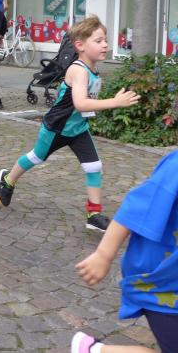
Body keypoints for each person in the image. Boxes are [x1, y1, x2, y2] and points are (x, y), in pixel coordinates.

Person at [0, 16, 140, 231]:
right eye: (98, 41)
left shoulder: (92, 69)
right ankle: (8, 180)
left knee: (93, 166)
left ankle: (94, 214)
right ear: (80, 46)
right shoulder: (79, 70)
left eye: (105, 40)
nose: (105, 45)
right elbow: (81, 103)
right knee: (36, 157)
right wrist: (115, 102)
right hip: (57, 128)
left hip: (78, 129)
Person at [71, 151, 178, 353]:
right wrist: (103, 255)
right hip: (163, 289)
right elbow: (135, 209)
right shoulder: (175, 168)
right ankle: (93, 350)